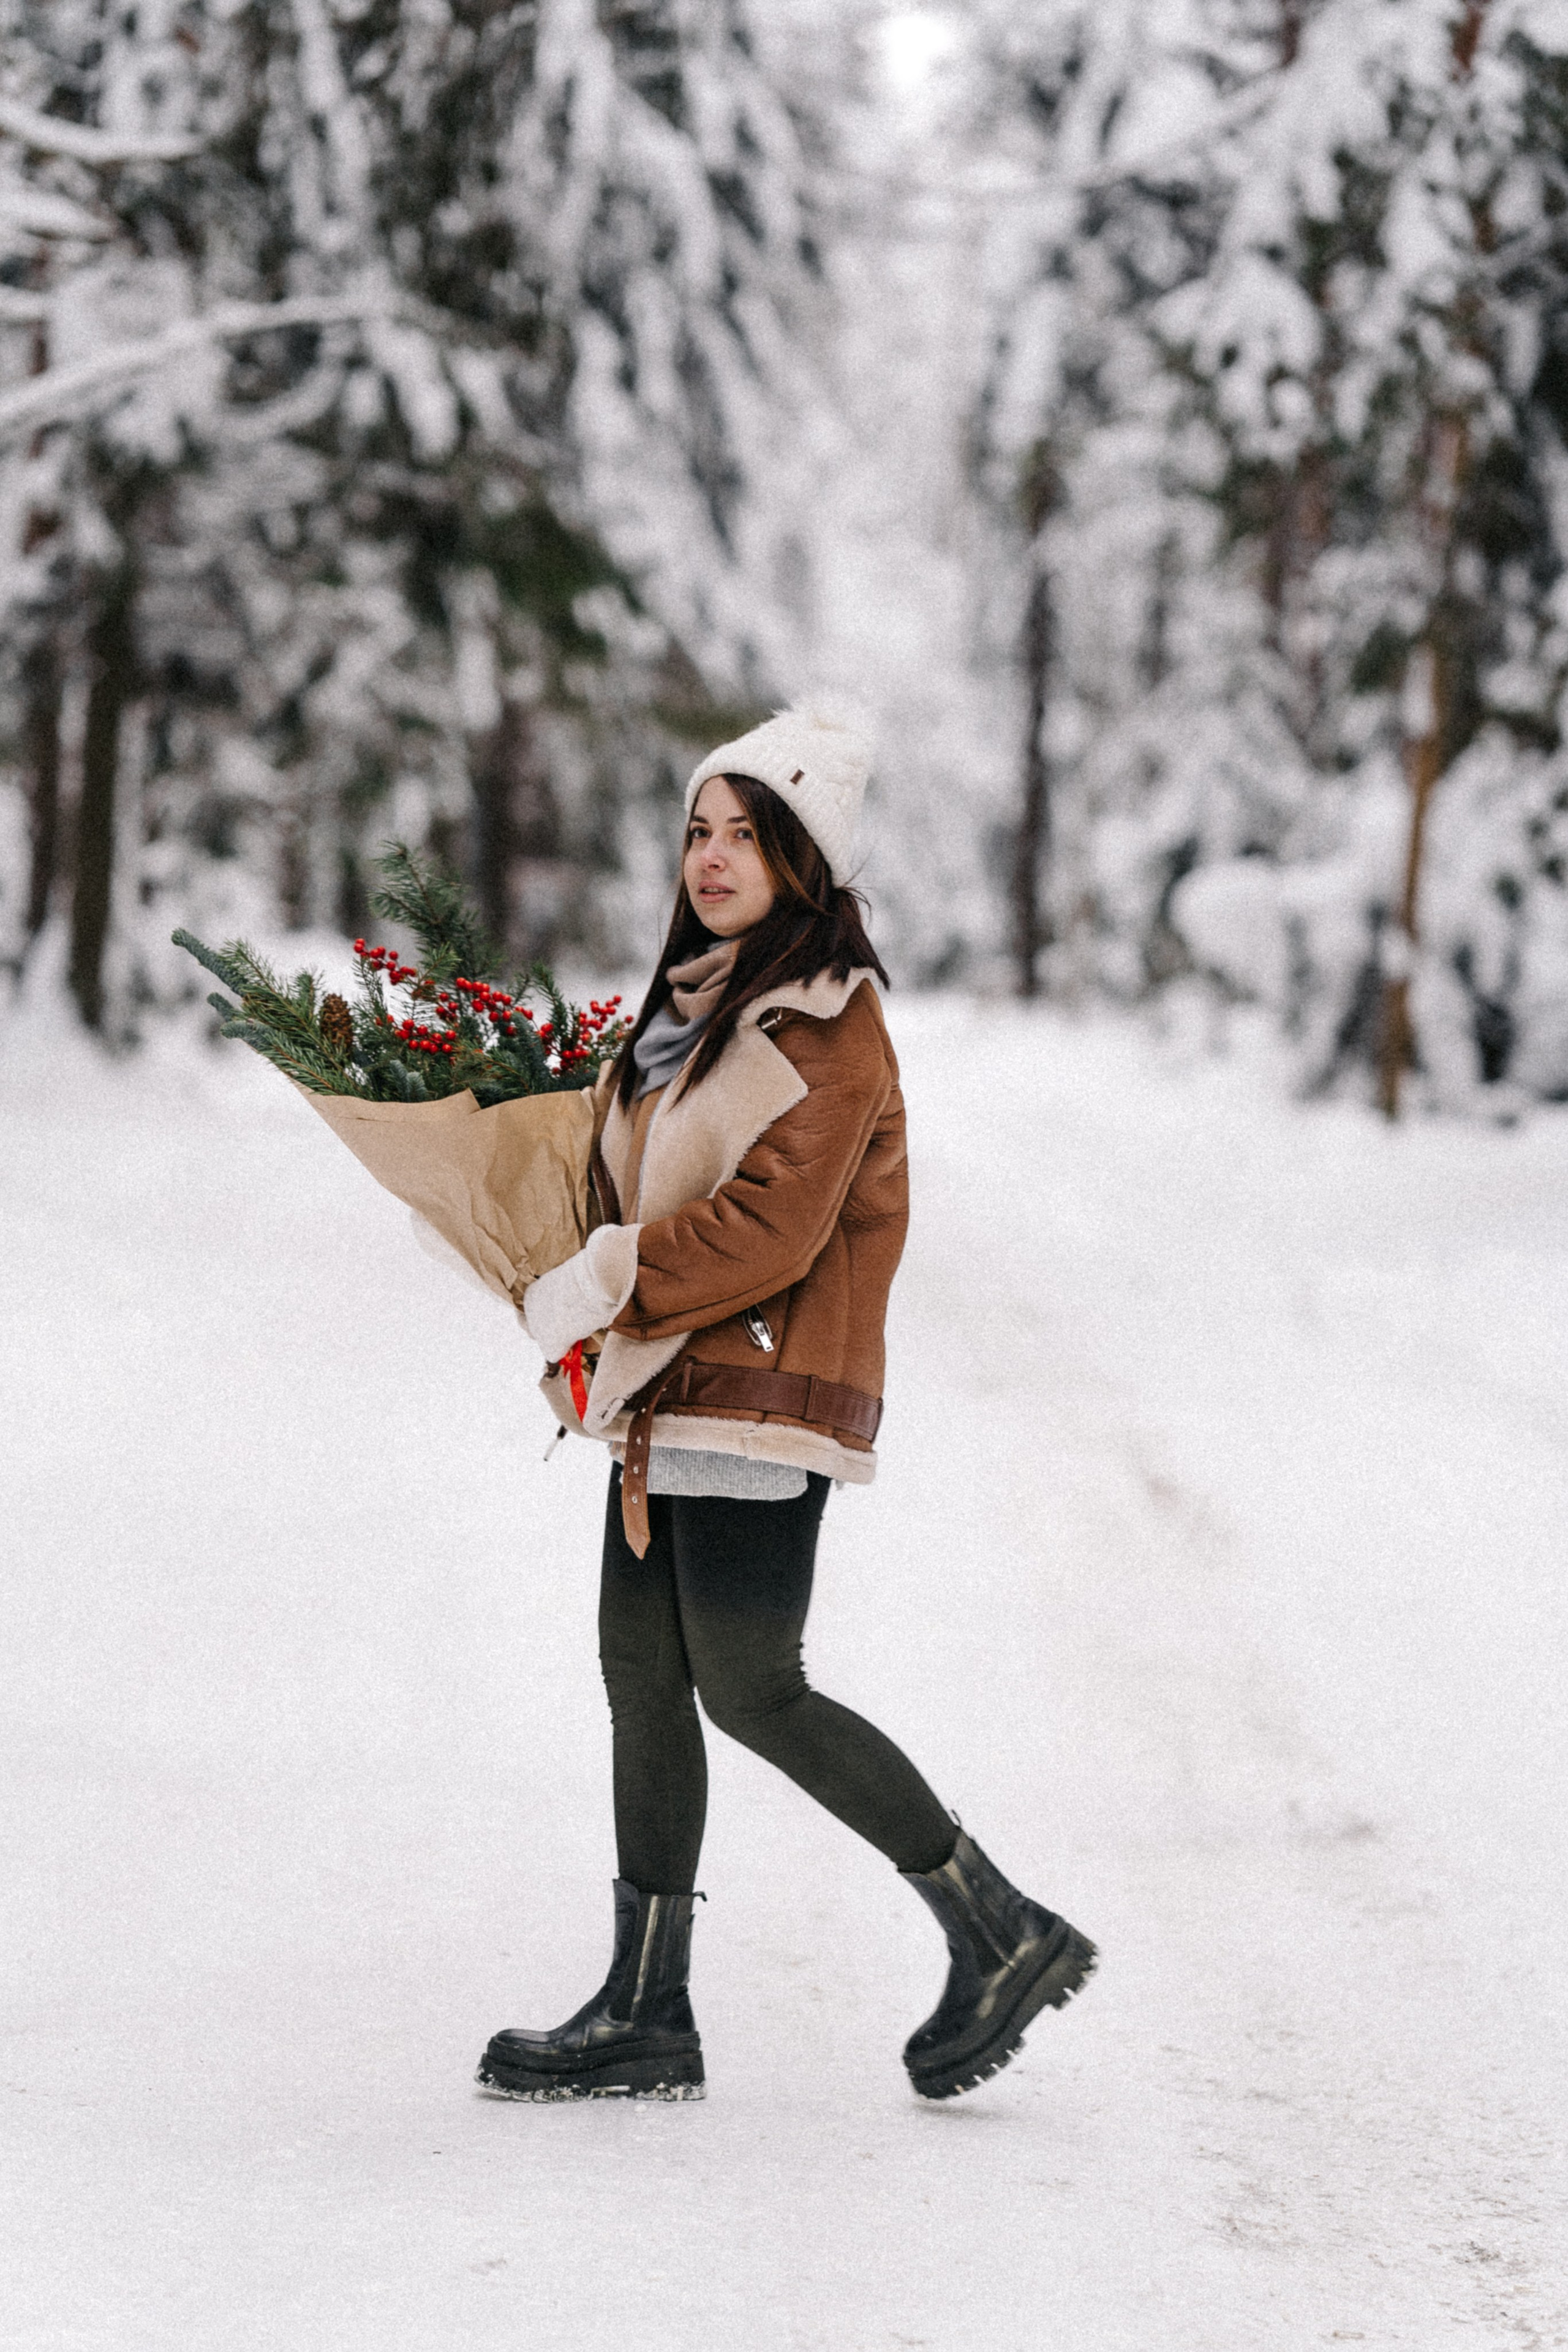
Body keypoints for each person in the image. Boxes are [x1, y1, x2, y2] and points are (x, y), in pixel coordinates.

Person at [477, 707, 1095, 2103]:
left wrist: (604, 1280)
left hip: (756, 1384)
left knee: (752, 1686)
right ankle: (646, 2007)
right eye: (699, 828)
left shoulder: (828, 1027)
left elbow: (766, 1232)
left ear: (802, 860)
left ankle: (995, 1926)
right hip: (667, 1386)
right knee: (642, 1675)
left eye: (746, 834)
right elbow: (633, 1190)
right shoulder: (689, 1011)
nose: (711, 855)